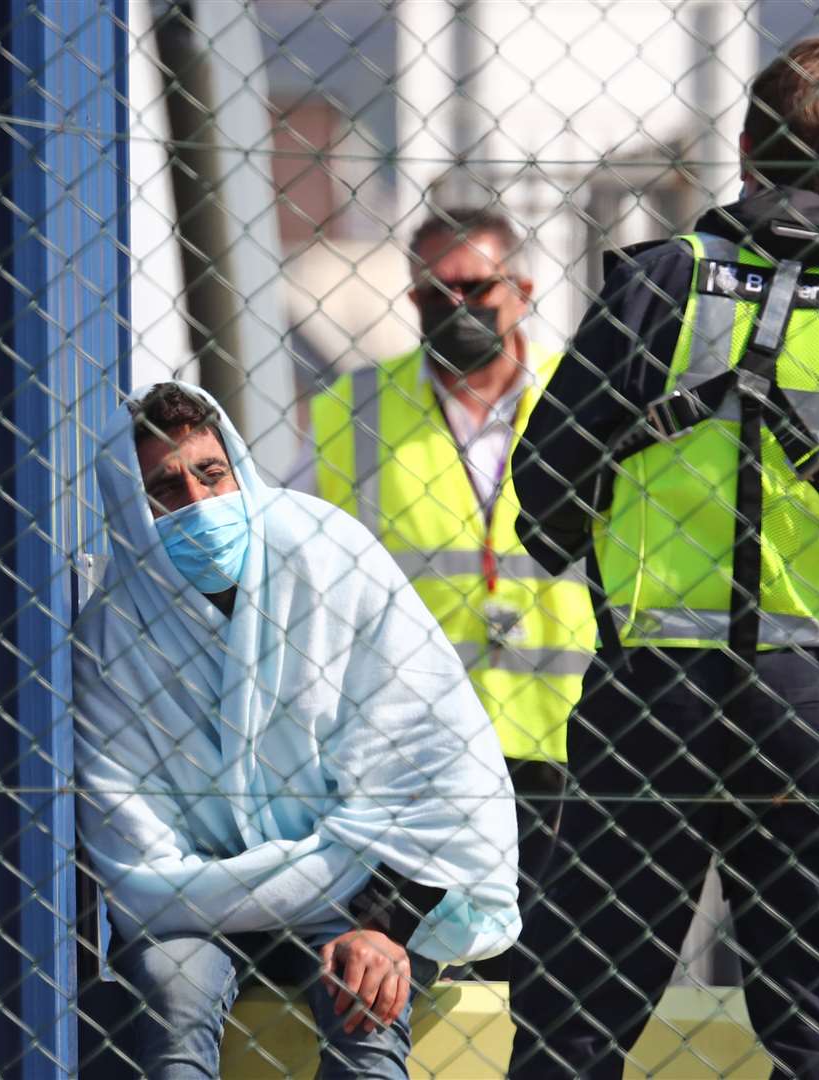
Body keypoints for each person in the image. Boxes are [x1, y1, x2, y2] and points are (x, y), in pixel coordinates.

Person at [507, 38, 819, 1078]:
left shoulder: (659, 286)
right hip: (809, 709)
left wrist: (578, 545)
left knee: (574, 1016)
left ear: (741, 148)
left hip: (650, 700)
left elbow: (545, 481)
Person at [73, 382, 520, 1079]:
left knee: (366, 1005)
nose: (197, 501)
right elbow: (137, 851)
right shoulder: (115, 631)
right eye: (166, 487)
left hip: (360, 891)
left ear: (239, 469)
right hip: (199, 914)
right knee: (174, 996)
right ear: (131, 510)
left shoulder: (325, 557)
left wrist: (385, 924)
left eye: (211, 473)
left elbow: (436, 768)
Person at [309, 208, 596, 975]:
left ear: (523, 289)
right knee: (408, 969)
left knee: (551, 974)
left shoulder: (587, 399)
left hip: (561, 736)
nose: (458, 309)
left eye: (475, 289)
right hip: (416, 742)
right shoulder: (351, 408)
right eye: (436, 294)